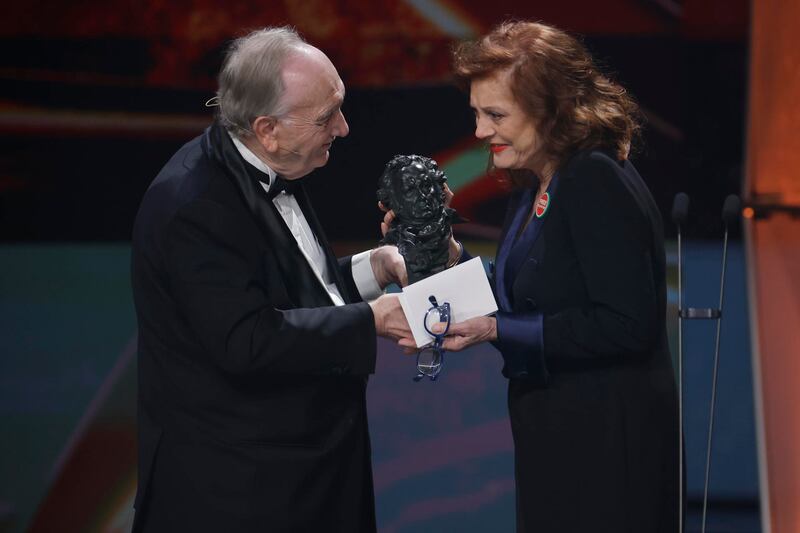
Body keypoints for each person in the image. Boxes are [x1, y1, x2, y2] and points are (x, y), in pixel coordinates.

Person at [400, 21, 679, 532]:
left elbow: (627, 324)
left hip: (606, 448)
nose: (480, 131)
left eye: (495, 115)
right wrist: (441, 248)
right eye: (477, 113)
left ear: (551, 109)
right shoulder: (538, 180)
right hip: (559, 434)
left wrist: (497, 329)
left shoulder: (594, 178)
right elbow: (522, 293)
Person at [130, 27, 410, 533]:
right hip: (239, 495)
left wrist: (375, 269)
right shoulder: (195, 206)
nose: (344, 128)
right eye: (327, 117)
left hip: (302, 476)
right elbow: (248, 339)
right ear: (267, 129)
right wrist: (370, 320)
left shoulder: (268, 160)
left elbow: (292, 289)